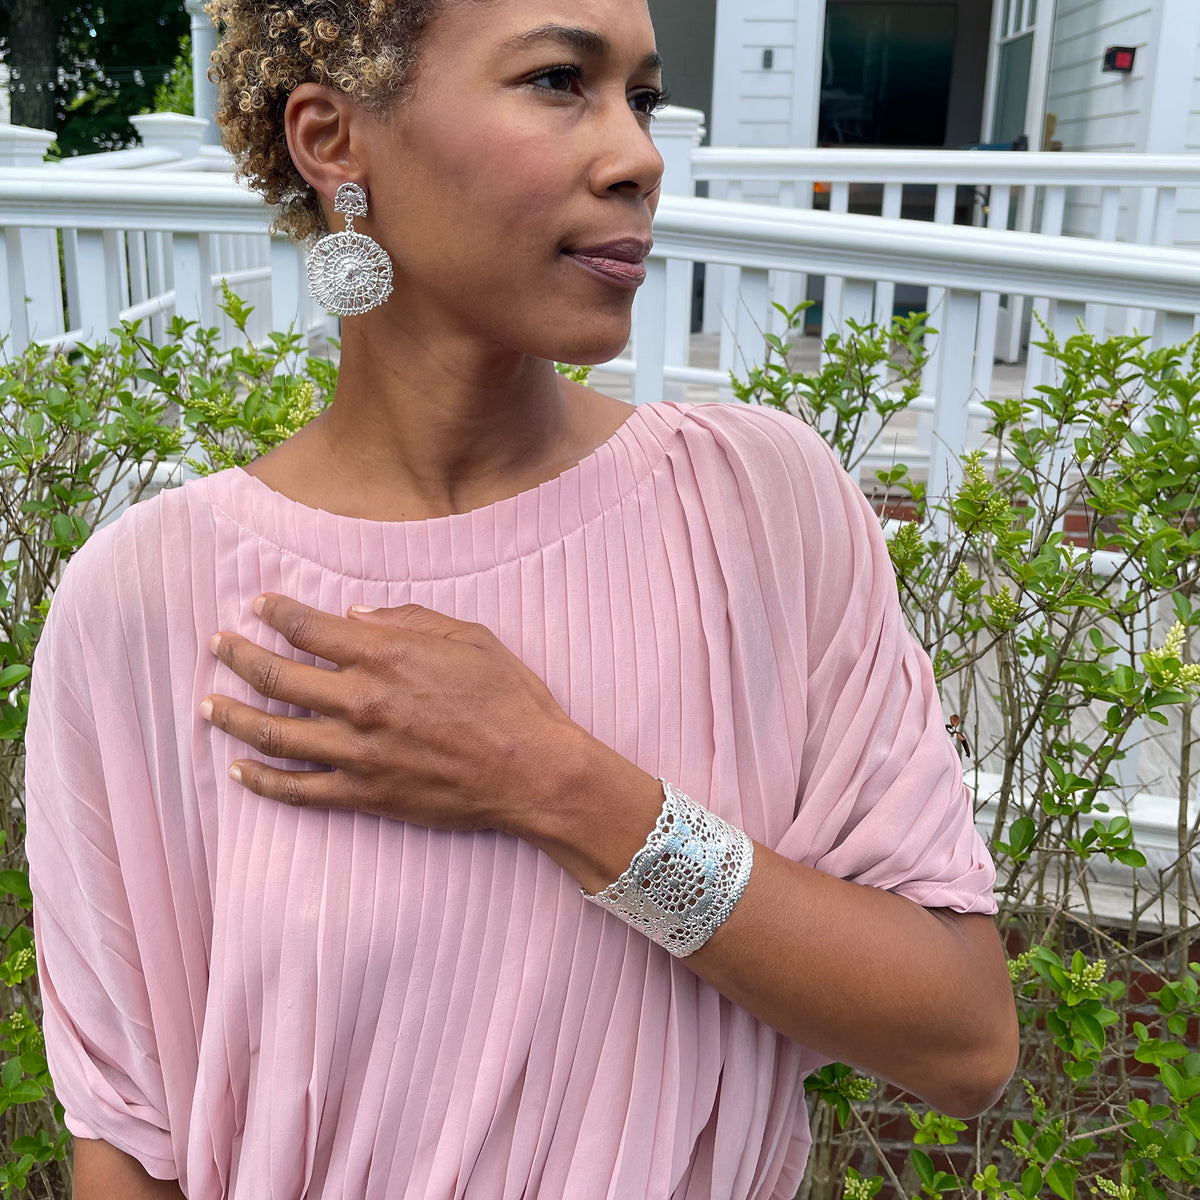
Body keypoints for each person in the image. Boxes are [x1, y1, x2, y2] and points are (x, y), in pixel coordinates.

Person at [24, 0, 1018, 1197]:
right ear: (333, 140)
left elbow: (962, 1035)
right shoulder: (150, 603)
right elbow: (130, 1144)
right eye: (560, 81)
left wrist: (558, 786)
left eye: (641, 99)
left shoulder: (758, 509)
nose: (638, 156)